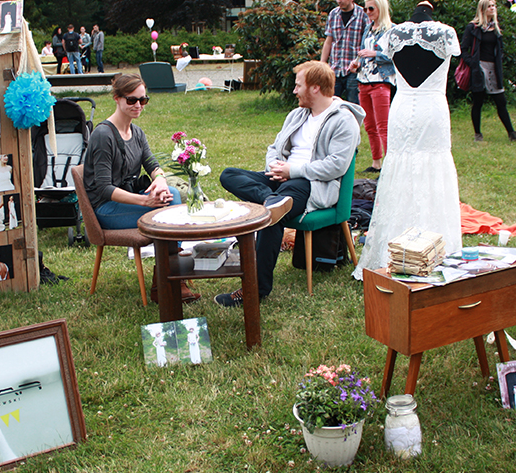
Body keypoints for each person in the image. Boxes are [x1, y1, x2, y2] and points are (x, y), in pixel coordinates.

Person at [216, 60, 363, 307]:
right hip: (281, 181)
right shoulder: (297, 114)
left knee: (273, 217)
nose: (294, 91)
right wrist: (275, 166)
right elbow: (275, 147)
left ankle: (255, 289)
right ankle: (271, 200)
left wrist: (292, 170)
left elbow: (336, 166)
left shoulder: (343, 120)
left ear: (315, 88)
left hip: (311, 183)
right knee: (229, 175)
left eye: (298, 86)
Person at [352, 1, 463, 275]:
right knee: (418, 167)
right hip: (430, 108)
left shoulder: (395, 35)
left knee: (407, 167)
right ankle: (403, 248)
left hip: (405, 108)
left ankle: (423, 246)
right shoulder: (445, 33)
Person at [82, 73, 196, 302]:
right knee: (170, 208)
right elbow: (104, 188)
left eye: (143, 100)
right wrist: (145, 201)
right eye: (131, 100)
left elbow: (152, 164)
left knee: (171, 194)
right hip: (106, 209)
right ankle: (168, 280)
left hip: (128, 200)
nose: (138, 105)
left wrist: (160, 181)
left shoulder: (137, 132)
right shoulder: (104, 135)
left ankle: (166, 279)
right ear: (117, 98)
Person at [461, 0, 516, 142]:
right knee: (478, 101)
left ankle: (512, 133)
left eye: (494, 5)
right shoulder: (473, 27)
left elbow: (499, 48)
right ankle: (478, 134)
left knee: (501, 101)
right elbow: (463, 49)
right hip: (479, 68)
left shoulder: (495, 27)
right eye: (489, 6)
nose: (493, 8)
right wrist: (473, 64)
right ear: (482, 9)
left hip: (493, 68)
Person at [350, 0, 395, 173]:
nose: (367, 12)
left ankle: (390, 163)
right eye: (365, 8)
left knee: (383, 125)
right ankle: (376, 162)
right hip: (363, 80)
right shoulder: (368, 29)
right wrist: (357, 63)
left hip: (380, 81)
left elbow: (394, 56)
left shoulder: (391, 30)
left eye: (371, 8)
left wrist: (375, 54)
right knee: (369, 125)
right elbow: (363, 53)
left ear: (381, 8)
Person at [320, 0, 369, 105]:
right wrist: (322, 64)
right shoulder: (333, 14)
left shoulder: (362, 15)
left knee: (354, 104)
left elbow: (367, 41)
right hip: (335, 68)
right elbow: (329, 41)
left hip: (353, 68)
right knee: (330, 104)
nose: (338, 1)